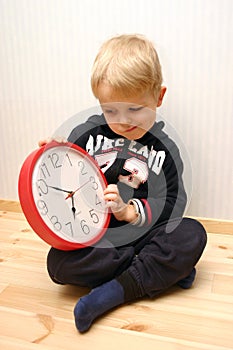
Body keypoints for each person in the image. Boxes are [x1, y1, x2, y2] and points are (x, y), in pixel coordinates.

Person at [40, 34, 207, 333]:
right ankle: (156, 271)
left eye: (134, 109)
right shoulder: (88, 133)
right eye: (110, 110)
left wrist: (131, 211)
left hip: (144, 233)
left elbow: (173, 205)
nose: (122, 121)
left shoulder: (164, 149)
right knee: (57, 265)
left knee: (191, 233)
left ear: (158, 97)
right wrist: (53, 154)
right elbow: (65, 178)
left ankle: (114, 292)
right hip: (102, 237)